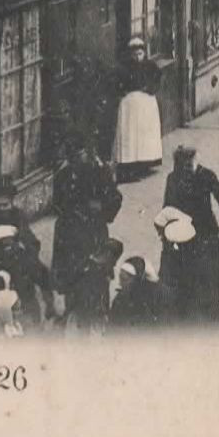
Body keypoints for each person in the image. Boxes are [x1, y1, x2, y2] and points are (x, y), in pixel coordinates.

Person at [50, 135, 122, 293]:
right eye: (72, 156)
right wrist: (69, 211)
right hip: (70, 232)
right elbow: (56, 203)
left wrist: (101, 208)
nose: (76, 160)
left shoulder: (100, 173)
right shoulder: (63, 176)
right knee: (71, 277)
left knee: (97, 274)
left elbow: (115, 198)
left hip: (93, 230)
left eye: (79, 155)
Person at [111, 37, 163, 180]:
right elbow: (118, 84)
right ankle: (130, 163)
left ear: (144, 53)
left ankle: (146, 162)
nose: (137, 57)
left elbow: (158, 77)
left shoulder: (150, 65)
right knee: (131, 134)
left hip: (146, 105)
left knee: (145, 134)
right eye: (134, 54)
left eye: (140, 54)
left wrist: (151, 88)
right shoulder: (124, 68)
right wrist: (123, 92)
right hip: (131, 106)